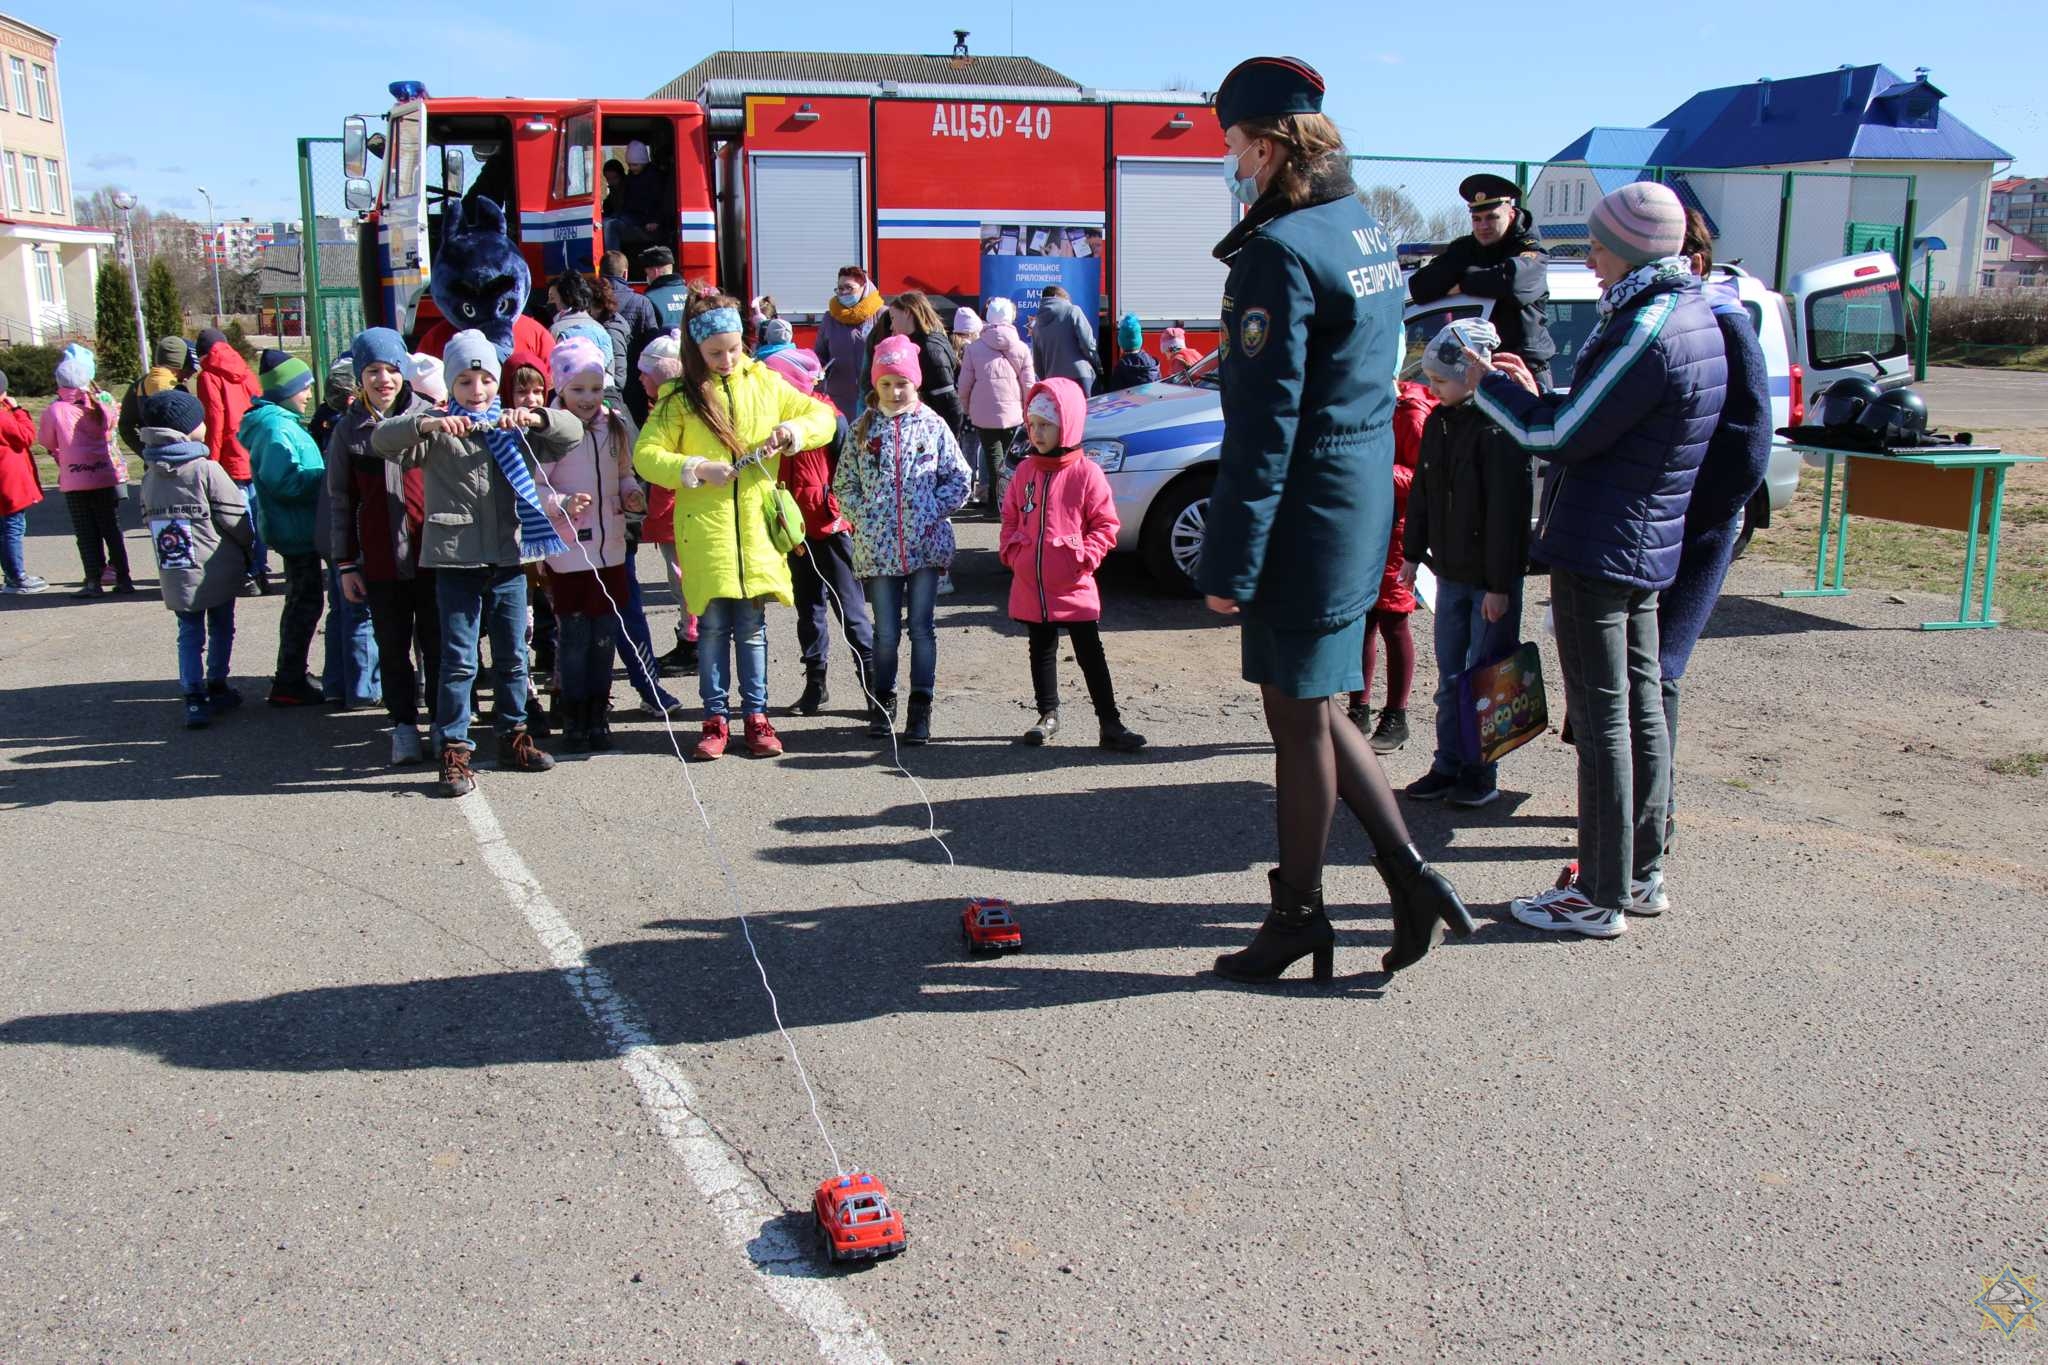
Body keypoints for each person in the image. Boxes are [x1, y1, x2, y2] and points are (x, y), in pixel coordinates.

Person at [1197, 55, 1472, 984]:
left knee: (1296, 721)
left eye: (1234, 145)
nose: (1230, 161)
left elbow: (1266, 426)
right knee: (1320, 704)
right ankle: (1408, 876)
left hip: (1304, 514)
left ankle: (1300, 916)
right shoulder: (1361, 226)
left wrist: (1232, 562)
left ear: (1270, 147)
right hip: (1353, 502)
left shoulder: (1279, 251)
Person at [1472, 181, 1725, 937]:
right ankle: (1640, 874)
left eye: (1598, 245)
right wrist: (1537, 388)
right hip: (1641, 539)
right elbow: (1600, 414)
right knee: (1639, 708)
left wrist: (1487, 388)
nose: (1591, 258)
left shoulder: (1648, 322)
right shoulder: (1688, 310)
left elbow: (1561, 436)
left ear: (1632, 247)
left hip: (1602, 543)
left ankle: (1600, 892)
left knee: (1606, 718)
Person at [371, 329, 583, 797]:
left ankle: (513, 737)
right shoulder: (437, 425)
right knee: (459, 661)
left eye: (485, 380)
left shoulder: (511, 427)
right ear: (451, 385)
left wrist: (537, 415)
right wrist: (424, 425)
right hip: (455, 560)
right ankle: (455, 749)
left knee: (513, 657)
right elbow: (383, 441)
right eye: (465, 381)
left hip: (508, 557)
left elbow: (572, 433)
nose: (477, 390)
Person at [632, 293, 836, 761]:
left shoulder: (765, 383)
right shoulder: (678, 399)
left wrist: (792, 434)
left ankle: (757, 717)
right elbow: (648, 456)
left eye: (734, 349)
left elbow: (822, 415)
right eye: (715, 353)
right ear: (696, 352)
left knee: (752, 627)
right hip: (705, 531)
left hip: (755, 534)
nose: (726, 360)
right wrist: (698, 468)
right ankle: (715, 718)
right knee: (712, 627)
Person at [1655, 209, 1771, 849]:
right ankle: (1628, 804)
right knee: (1631, 671)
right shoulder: (1673, 321)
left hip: (1691, 529)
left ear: (1694, 262)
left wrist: (1698, 516)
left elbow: (1749, 445)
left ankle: (1653, 822)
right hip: (1653, 526)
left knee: (1660, 670)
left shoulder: (1725, 324)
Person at [1398, 320, 1534, 809]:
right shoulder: (1438, 421)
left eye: (1439, 380)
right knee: (1450, 678)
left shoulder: (1500, 429)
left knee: (1487, 679)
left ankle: (1482, 771)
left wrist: (1500, 586)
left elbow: (1507, 515)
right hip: (1449, 575)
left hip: (1490, 583)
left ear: (1472, 374)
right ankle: (1447, 763)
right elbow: (1423, 494)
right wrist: (1413, 557)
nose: (1432, 389)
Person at [832, 335, 972, 745]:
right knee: (886, 632)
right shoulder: (862, 429)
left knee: (923, 629)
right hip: (877, 549)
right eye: (887, 383)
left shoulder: (933, 426)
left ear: (916, 384)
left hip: (926, 546)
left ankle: (920, 707)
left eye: (903, 383)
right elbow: (844, 485)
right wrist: (864, 516)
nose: (895, 391)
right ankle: (883, 699)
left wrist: (932, 510)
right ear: (876, 385)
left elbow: (960, 477)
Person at [1001, 378, 1147, 751]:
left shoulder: (1087, 473)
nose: (1037, 432)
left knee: (1089, 651)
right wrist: (1013, 554)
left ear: (1067, 425)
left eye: (1046, 425)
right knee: (1041, 647)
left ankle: (1109, 722)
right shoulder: (1025, 472)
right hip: (1031, 582)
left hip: (1073, 581)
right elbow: (1010, 517)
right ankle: (1047, 714)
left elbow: (1105, 524)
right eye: (1032, 424)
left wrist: (1084, 557)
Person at [329, 327, 441, 766]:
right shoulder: (348, 431)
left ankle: (442, 722)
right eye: (373, 371)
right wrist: (345, 563)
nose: (383, 380)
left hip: (433, 557)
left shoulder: (430, 417)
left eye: (391, 369)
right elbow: (340, 500)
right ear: (360, 377)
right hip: (380, 562)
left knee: (439, 645)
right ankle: (403, 724)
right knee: (392, 648)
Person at [535, 337, 644, 752]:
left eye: (596, 389)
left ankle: (599, 714)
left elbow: (624, 474)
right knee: (575, 635)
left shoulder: (613, 424)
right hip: (569, 551)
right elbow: (534, 488)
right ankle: (574, 716)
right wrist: (562, 503)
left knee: (604, 635)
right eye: (578, 389)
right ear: (560, 387)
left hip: (611, 547)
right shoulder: (551, 430)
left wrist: (631, 494)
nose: (588, 398)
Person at [761, 345, 874, 717]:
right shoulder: (770, 423)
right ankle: (816, 683)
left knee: (851, 612)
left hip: (831, 527)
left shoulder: (830, 419)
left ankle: (875, 687)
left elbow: (851, 472)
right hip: (794, 532)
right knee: (808, 612)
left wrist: (845, 517)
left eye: (776, 381)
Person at [138, 389, 252, 728]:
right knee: (220, 625)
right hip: (214, 566)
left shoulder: (150, 475)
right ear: (188, 428)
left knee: (188, 631)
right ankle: (217, 683)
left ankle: (192, 694)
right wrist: (249, 549)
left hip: (175, 567)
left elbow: (147, 517)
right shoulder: (206, 470)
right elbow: (235, 517)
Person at [1404, 173, 1557, 385]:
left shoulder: (1530, 249)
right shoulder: (1466, 248)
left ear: (1511, 214)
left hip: (1522, 370)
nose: (1483, 226)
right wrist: (1483, 278)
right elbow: (1420, 287)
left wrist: (1463, 284)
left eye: (1492, 217)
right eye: (1477, 219)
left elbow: (1513, 284)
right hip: (1473, 370)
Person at [1347, 373, 1430, 753]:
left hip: (1396, 530)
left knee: (1394, 622)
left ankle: (1396, 716)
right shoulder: (1364, 405)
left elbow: (1422, 479)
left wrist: (1375, 470)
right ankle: (1357, 708)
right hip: (1364, 524)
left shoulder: (1411, 414)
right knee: (1362, 621)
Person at [242, 350, 329, 707]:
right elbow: (284, 482)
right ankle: (289, 678)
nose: (309, 394)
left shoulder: (281, 422)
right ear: (285, 390)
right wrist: (326, 478)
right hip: (295, 530)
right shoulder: (276, 428)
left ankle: (291, 674)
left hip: (296, 528)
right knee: (303, 603)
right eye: (304, 388)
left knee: (303, 601)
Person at [41, 346, 132, 597]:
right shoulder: (101, 402)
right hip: (105, 474)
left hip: (75, 478)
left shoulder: (55, 410)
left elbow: (47, 441)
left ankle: (93, 580)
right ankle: (123, 577)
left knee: (85, 531)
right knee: (111, 528)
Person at [636, 332, 699, 676]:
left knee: (683, 580)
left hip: (675, 510)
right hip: (670, 509)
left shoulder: (670, 410)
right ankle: (690, 639)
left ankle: (692, 643)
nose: (640, 377)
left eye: (646, 372)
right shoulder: (670, 404)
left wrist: (657, 513)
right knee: (681, 580)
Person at [195, 327, 268, 594]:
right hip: (254, 450)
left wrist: (211, 459)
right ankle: (261, 569)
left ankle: (248, 573)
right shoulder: (245, 370)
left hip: (230, 454)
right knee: (258, 515)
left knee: (237, 518)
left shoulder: (208, 376)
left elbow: (215, 419)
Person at [957, 295, 1036, 518]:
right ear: (1010, 318)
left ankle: (994, 505)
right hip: (1014, 413)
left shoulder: (974, 348)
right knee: (1011, 459)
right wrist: (1028, 409)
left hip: (983, 412)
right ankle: (1012, 504)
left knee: (993, 456)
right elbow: (1029, 384)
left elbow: (964, 384)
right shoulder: (1021, 348)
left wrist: (966, 407)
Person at [886, 292, 964, 437]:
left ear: (908, 313)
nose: (891, 326)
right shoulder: (926, 342)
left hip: (932, 433)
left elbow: (950, 404)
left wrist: (946, 441)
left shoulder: (929, 349)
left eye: (893, 318)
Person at [0, 369, 47, 593]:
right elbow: (26, 436)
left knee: (6, 529)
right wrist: (17, 409)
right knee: (12, 529)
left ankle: (11, 574)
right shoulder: (3, 416)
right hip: (8, 484)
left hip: (6, 482)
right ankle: (16, 576)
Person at [816, 266, 884, 417]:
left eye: (849, 288)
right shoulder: (829, 318)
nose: (843, 293)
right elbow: (819, 355)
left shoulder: (882, 315)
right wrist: (818, 370)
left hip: (876, 398)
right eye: (840, 288)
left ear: (864, 288)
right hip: (839, 401)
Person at [549, 271, 627, 394]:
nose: (552, 303)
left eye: (554, 298)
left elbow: (552, 374)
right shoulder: (600, 329)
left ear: (563, 298)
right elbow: (611, 371)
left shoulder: (556, 330)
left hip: (569, 401)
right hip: (603, 395)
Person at [118, 336, 194, 457]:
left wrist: (145, 451)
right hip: (181, 457)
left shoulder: (140, 385)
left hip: (153, 459)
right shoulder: (177, 388)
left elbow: (126, 426)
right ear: (181, 362)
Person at [601, 249, 664, 383]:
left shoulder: (591, 302)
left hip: (601, 378)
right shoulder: (642, 302)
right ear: (625, 274)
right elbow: (652, 343)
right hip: (634, 378)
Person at [1029, 284, 1101, 394]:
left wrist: (1047, 379)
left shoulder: (1036, 325)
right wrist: (1096, 362)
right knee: (1086, 410)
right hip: (1079, 376)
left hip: (1053, 382)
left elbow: (1038, 364)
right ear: (1060, 297)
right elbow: (1087, 343)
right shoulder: (1072, 311)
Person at [1101, 313, 1160, 393]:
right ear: (1140, 340)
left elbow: (1115, 393)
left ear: (1121, 343)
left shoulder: (1122, 366)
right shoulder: (1153, 362)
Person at [639, 248, 691, 336]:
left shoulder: (648, 299)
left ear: (655, 272)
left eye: (647, 273)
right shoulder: (690, 293)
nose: (647, 276)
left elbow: (648, 336)